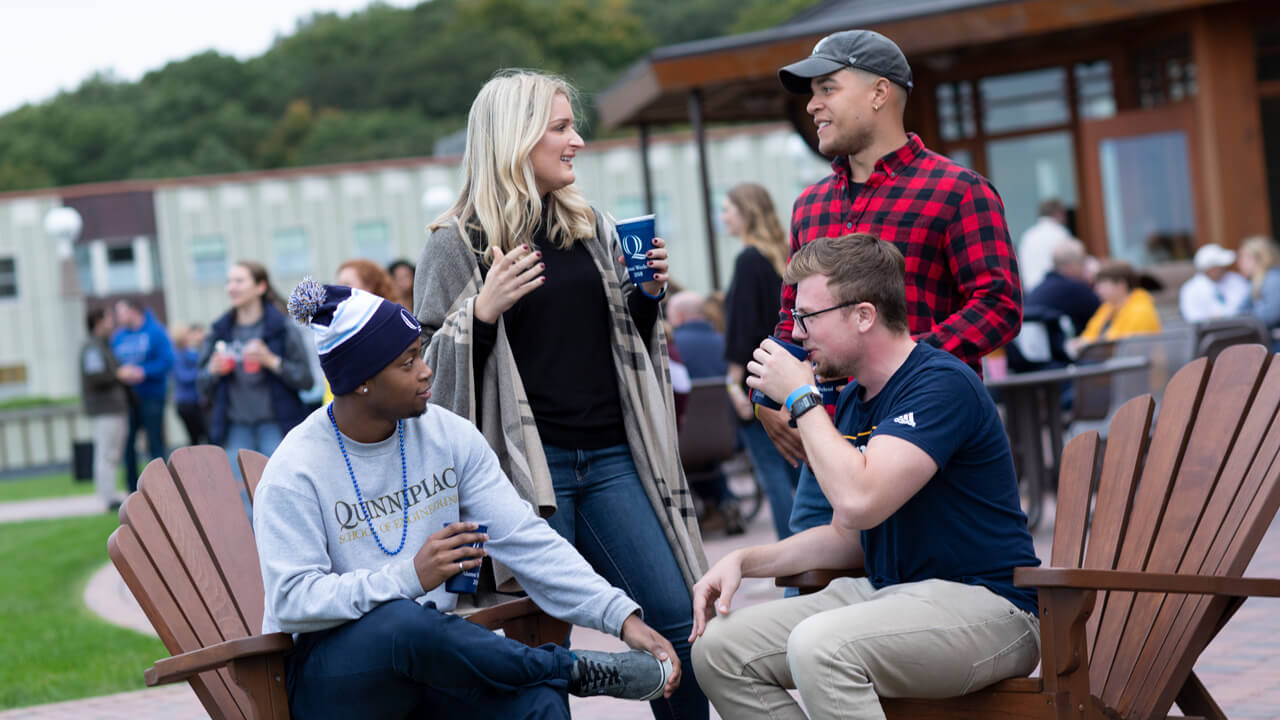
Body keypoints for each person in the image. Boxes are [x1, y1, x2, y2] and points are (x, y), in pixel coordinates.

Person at [414, 69, 708, 720]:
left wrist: (645, 297)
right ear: (516, 139)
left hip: (610, 460)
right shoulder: (455, 242)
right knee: (544, 644)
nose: (576, 140)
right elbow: (424, 379)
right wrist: (482, 313)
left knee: (675, 617)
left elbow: (620, 347)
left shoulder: (591, 228)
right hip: (522, 477)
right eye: (560, 127)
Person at [257, 279, 680, 719]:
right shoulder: (296, 470)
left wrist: (622, 619)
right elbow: (292, 599)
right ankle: (565, 667)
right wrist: (410, 577)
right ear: (361, 382)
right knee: (404, 621)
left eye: (420, 353)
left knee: (537, 701)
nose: (427, 371)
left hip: (434, 660)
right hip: (337, 678)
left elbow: (524, 538)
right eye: (408, 362)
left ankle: (555, 675)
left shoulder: (447, 435)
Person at [688, 233, 1040, 720]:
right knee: (720, 649)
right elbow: (847, 536)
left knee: (821, 645)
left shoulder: (941, 384)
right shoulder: (857, 398)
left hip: (989, 607)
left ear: (864, 315)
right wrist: (745, 560)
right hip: (891, 594)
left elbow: (859, 501)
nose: (796, 332)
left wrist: (801, 399)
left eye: (807, 316)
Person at [767, 29, 1022, 535]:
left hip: (925, 431)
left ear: (880, 93)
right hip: (829, 431)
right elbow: (791, 315)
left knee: (925, 585)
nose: (813, 105)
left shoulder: (958, 191)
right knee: (808, 593)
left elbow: (999, 304)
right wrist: (768, 398)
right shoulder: (809, 205)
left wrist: (907, 367)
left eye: (828, 88)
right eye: (812, 93)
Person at [720, 182, 800, 540]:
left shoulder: (747, 260)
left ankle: (794, 562)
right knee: (801, 469)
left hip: (759, 381)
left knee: (772, 473)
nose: (723, 217)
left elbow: (741, 329)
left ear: (746, 212)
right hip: (792, 375)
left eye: (727, 209)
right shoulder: (783, 257)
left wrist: (734, 385)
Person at [198, 261, 312, 490]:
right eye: (229, 282)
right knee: (240, 499)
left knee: (282, 491)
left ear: (260, 287)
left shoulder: (283, 328)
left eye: (239, 281)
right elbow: (201, 386)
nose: (231, 287)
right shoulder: (220, 331)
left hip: (277, 426)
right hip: (234, 429)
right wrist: (212, 371)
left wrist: (271, 361)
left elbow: (305, 380)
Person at [668, 291, 745, 537]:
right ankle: (723, 503)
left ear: (678, 317)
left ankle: (713, 508)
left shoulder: (670, 348)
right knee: (706, 452)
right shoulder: (725, 343)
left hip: (684, 441)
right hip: (727, 437)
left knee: (692, 450)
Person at [111, 298, 175, 491]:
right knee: (127, 444)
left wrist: (143, 371)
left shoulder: (155, 332)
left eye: (121, 312)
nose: (118, 317)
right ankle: (132, 490)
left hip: (152, 395)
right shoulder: (118, 336)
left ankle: (161, 487)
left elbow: (168, 361)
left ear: (133, 311)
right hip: (127, 399)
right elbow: (113, 363)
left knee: (155, 442)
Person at [80, 307, 128, 510]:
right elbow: (95, 376)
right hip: (105, 409)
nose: (112, 323)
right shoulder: (92, 348)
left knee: (111, 453)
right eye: (109, 319)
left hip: (113, 408)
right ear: (99, 322)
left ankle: (109, 494)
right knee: (106, 453)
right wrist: (119, 374)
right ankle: (107, 497)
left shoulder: (103, 346)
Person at [1074, 260, 1162, 349]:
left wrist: (1086, 344)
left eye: (1103, 284)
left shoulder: (1140, 310)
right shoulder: (1108, 307)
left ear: (1121, 285)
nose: (1097, 289)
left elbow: (1125, 347)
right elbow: (1089, 335)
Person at [1024, 238, 1101, 338]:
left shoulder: (1040, 287)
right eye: (1082, 262)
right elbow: (1104, 312)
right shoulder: (1073, 288)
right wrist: (1096, 279)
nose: (1085, 267)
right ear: (1072, 265)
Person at [1179, 243, 1250, 323]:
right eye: (1218, 266)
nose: (1223, 268)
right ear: (1209, 268)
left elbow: (1247, 306)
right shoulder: (1191, 289)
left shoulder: (1236, 280)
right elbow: (1193, 318)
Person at [1017, 198, 1075, 293]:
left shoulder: (1028, 236)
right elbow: (1072, 264)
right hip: (1056, 291)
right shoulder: (1060, 233)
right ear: (1058, 214)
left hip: (1031, 294)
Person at [1237, 235, 1280, 343]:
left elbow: (1270, 316)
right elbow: (1239, 311)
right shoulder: (1257, 281)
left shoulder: (1273, 279)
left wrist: (1248, 316)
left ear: (1257, 259)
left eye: (1242, 257)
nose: (1239, 263)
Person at [172, 324, 208, 446]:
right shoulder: (177, 356)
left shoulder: (192, 353)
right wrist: (204, 372)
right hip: (187, 404)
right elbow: (184, 377)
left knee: (204, 437)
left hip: (196, 403)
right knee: (195, 438)